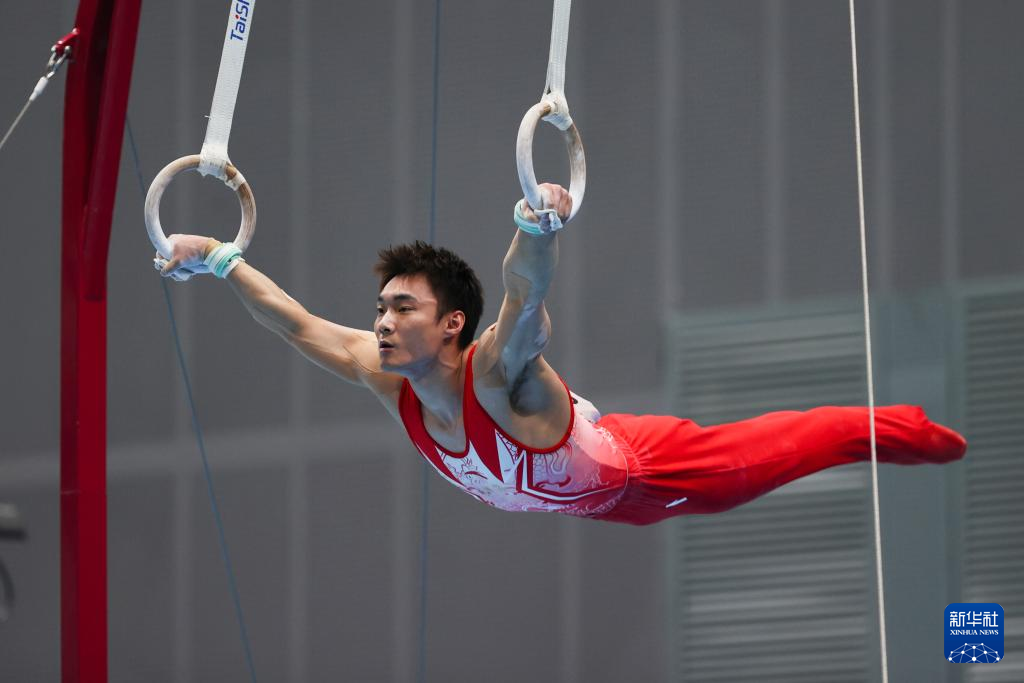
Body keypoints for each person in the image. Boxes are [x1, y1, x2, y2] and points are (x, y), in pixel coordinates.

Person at [156, 183, 967, 525]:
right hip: (597, 493)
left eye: (403, 308)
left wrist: (537, 224)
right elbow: (297, 324)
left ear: (453, 324)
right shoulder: (384, 378)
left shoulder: (495, 373)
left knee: (803, 443)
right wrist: (221, 260)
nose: (382, 323)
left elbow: (523, 293)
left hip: (649, 471)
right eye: (380, 309)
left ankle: (910, 429)